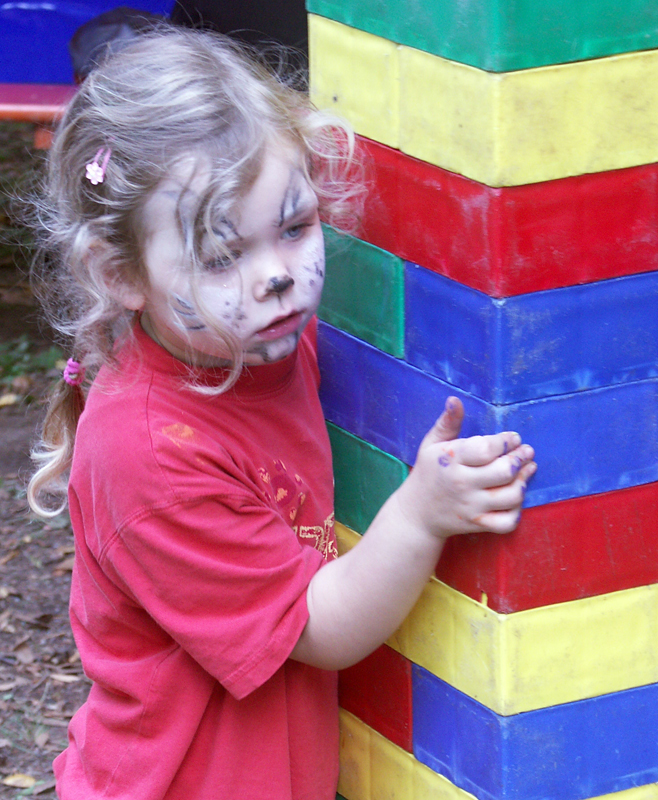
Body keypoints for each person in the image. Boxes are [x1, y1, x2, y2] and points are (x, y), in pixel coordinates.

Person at [26, 25, 536, 800]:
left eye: (294, 228)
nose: (276, 278)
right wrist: (422, 515)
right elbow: (321, 627)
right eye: (223, 256)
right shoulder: (150, 454)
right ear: (119, 272)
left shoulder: (258, 341)